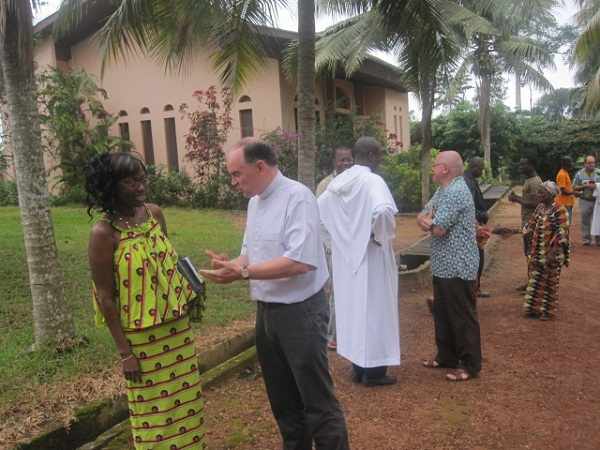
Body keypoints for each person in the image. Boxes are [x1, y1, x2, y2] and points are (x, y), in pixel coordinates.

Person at [200, 140, 350, 450]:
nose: (233, 182)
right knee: (284, 402)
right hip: (267, 313)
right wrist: (232, 266)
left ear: (260, 167)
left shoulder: (298, 198)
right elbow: (250, 253)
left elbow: (300, 261)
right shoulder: (255, 202)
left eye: (237, 173)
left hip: (301, 312)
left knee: (317, 402)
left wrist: (244, 272)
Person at [85, 152, 206, 450]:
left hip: (176, 329)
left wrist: (190, 293)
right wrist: (125, 353)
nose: (141, 187)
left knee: (187, 405)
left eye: (142, 179)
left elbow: (166, 264)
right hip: (142, 340)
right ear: (111, 186)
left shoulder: (155, 214)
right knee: (155, 415)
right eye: (130, 182)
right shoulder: (104, 234)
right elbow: (105, 297)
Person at [318, 137, 400, 387]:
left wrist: (339, 242)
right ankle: (374, 372)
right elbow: (383, 210)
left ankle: (358, 367)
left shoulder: (339, 182)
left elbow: (318, 213)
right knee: (376, 310)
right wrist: (377, 236)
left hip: (347, 262)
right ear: (372, 155)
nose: (381, 159)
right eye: (380, 155)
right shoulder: (373, 181)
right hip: (371, 258)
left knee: (353, 311)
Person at [417, 151, 481, 382]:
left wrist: (428, 222)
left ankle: (470, 364)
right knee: (442, 313)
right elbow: (423, 215)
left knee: (461, 315)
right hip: (443, 263)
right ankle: (446, 356)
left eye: (435, 165)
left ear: (445, 169)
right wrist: (428, 220)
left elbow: (438, 229)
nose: (432, 169)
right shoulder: (443, 190)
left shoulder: (455, 192)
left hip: (458, 264)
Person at [316, 146, 354, 350]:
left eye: (349, 159)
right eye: (342, 160)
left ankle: (346, 332)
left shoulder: (356, 182)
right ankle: (333, 336)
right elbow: (320, 220)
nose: (346, 163)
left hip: (352, 248)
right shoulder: (326, 186)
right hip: (333, 248)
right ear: (334, 162)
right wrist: (332, 246)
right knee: (337, 291)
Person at [523, 181, 570, 320]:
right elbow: (530, 225)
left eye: (541, 192)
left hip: (552, 254)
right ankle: (533, 309)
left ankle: (548, 313)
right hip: (538, 252)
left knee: (550, 283)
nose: (538, 194)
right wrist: (524, 235)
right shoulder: (540, 208)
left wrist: (552, 253)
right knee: (536, 280)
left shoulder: (560, 210)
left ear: (551, 194)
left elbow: (562, 234)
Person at [508, 158, 543, 290]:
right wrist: (518, 197)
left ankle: (534, 283)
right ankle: (531, 281)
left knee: (531, 252)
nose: (520, 167)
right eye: (520, 164)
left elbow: (535, 203)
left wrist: (516, 199)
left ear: (531, 165)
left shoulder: (535, 182)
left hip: (532, 223)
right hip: (527, 221)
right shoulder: (529, 180)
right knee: (529, 252)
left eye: (523, 165)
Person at [463, 157, 490, 298]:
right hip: (472, 225)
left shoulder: (470, 180)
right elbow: (468, 207)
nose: (482, 172)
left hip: (475, 224)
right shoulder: (467, 183)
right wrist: (481, 215)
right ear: (474, 168)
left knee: (477, 256)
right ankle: (473, 289)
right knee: (477, 257)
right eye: (481, 169)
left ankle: (474, 287)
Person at [573, 155, 600, 246]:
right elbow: (574, 187)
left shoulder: (599, 172)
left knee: (598, 220)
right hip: (585, 200)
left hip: (597, 201)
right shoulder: (579, 174)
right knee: (585, 220)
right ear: (585, 164)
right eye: (589, 163)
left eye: (593, 162)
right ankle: (586, 240)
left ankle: (598, 240)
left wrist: (596, 186)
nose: (592, 164)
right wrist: (584, 186)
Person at [555, 156, 575, 225]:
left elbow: (567, 188)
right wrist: (575, 193)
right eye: (570, 162)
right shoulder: (562, 174)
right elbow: (563, 191)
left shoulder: (565, 172)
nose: (572, 164)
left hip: (568, 203)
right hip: (564, 204)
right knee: (565, 225)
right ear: (565, 163)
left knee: (567, 225)